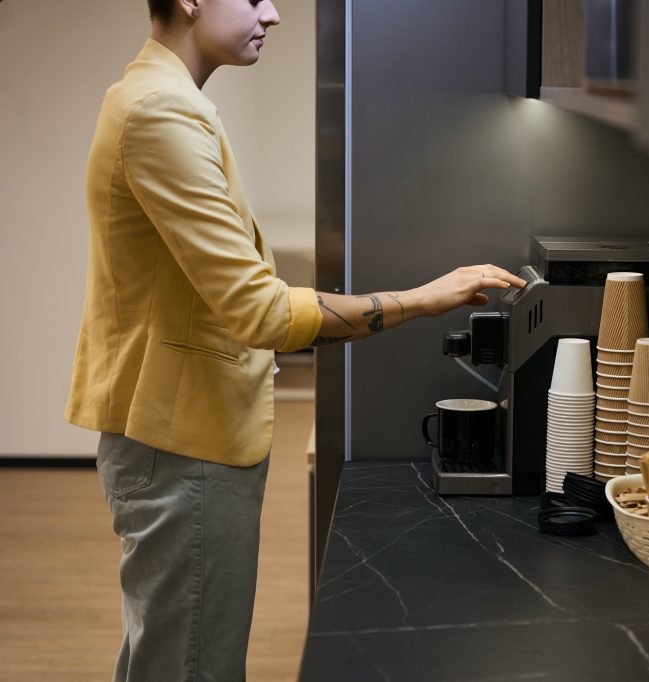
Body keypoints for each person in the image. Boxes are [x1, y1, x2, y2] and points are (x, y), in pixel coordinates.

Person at [64, 1, 526, 679]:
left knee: (167, 657)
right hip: (182, 442)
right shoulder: (159, 111)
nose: (274, 13)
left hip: (173, 435)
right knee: (195, 667)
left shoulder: (154, 97)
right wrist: (422, 299)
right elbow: (262, 314)